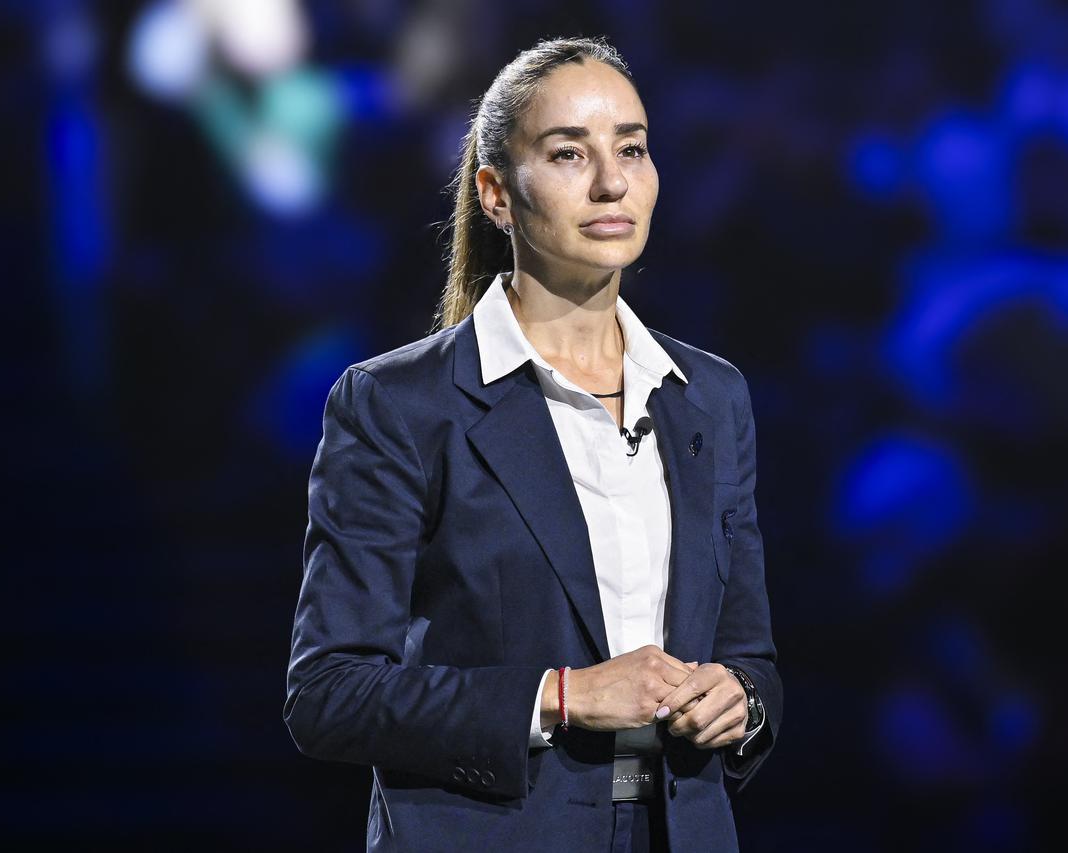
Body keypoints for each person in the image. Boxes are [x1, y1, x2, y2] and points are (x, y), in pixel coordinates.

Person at [284, 36, 781, 852]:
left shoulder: (712, 397)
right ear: (496, 194)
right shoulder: (400, 404)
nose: (612, 181)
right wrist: (563, 696)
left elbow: (750, 656)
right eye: (568, 153)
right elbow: (328, 693)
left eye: (632, 148)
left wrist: (743, 700)